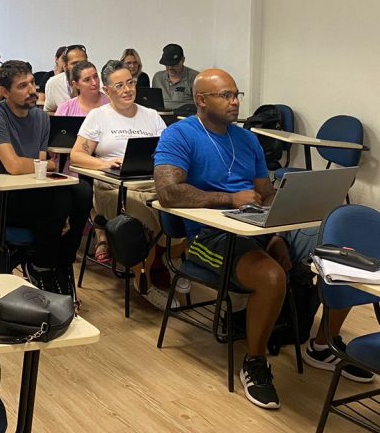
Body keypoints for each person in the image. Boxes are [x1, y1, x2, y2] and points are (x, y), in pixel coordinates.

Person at [154, 68, 368, 411]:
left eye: (236, 94)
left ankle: (322, 343)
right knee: (271, 276)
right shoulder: (179, 136)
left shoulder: (247, 139)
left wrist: (277, 235)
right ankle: (254, 363)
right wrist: (228, 199)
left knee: (349, 255)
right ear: (201, 100)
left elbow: (266, 195)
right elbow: (167, 193)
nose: (235, 102)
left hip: (257, 227)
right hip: (208, 236)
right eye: (225, 95)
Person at [0, 60, 93, 295]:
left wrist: (43, 166)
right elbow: (14, 166)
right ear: (5, 92)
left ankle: (62, 263)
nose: (31, 90)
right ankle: (42, 266)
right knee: (59, 202)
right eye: (22, 86)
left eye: (31, 83)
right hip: (1, 200)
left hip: (32, 193)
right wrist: (43, 166)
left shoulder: (40, 118)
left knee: (82, 190)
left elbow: (39, 169)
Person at [69, 61, 166, 299]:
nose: (127, 90)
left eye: (130, 82)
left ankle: (165, 262)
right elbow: (76, 155)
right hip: (111, 187)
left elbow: (169, 150)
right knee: (142, 211)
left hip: (149, 183)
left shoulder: (151, 116)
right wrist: (105, 164)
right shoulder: (98, 117)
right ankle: (144, 278)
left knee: (176, 207)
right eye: (119, 85)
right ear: (106, 90)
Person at [152, 43, 198, 112]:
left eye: (174, 64)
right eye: (167, 64)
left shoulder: (195, 78)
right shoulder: (158, 78)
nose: (170, 68)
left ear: (183, 60)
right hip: (161, 117)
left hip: (184, 118)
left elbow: (201, 106)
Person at [43, 44, 88, 114]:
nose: (80, 67)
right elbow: (48, 112)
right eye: (75, 63)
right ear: (65, 66)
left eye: (83, 63)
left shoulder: (98, 81)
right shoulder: (53, 83)